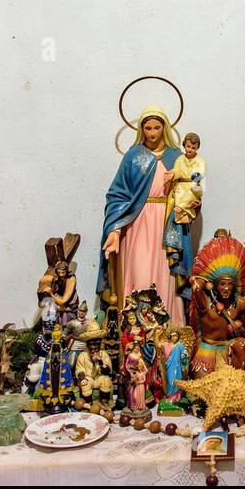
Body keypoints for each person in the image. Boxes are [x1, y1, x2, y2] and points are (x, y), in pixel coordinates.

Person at [100, 107, 189, 325]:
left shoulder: (177, 157)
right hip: (137, 223)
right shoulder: (133, 156)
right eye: (147, 128)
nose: (152, 133)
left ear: (165, 128)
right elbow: (117, 194)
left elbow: (192, 187)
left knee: (166, 278)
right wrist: (114, 230)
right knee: (139, 275)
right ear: (141, 129)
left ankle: (169, 332)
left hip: (168, 224)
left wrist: (188, 202)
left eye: (157, 127)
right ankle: (135, 335)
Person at [164, 132, 205, 258]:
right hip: (180, 189)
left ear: (197, 148)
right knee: (173, 218)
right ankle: (173, 246)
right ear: (184, 146)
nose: (190, 150)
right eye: (188, 147)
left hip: (193, 187)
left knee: (183, 209)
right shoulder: (180, 159)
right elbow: (177, 170)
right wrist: (172, 174)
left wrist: (183, 205)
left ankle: (183, 210)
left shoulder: (199, 161)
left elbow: (198, 178)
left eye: (193, 148)